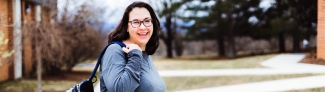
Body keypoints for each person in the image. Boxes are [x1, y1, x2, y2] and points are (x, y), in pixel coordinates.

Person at [100, 1, 166, 92]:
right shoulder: (115, 50)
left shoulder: (144, 53)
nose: (143, 27)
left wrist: (137, 54)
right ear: (127, 26)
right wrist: (135, 56)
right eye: (136, 22)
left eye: (147, 21)